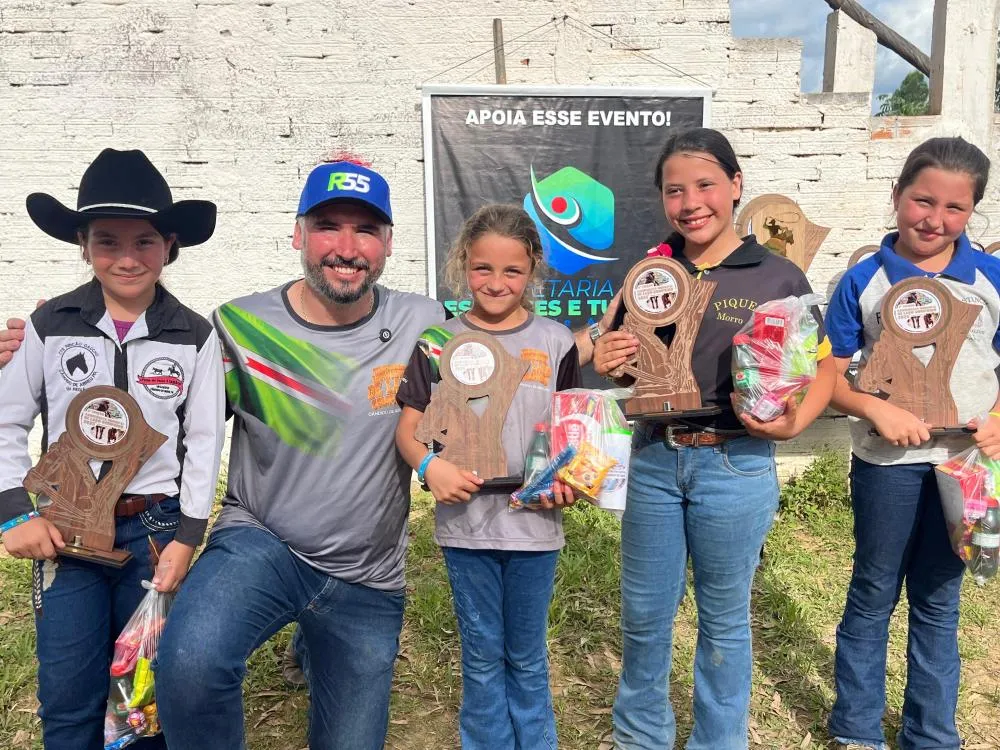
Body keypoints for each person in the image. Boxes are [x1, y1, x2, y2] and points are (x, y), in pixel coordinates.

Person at [151, 159, 448, 750]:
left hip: (369, 574)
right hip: (264, 542)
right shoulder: (239, 326)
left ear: (388, 244)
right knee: (188, 665)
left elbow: (506, 361)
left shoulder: (424, 321)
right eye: (327, 226)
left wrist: (601, 345)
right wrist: (35, 355)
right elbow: (163, 406)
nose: (346, 247)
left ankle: (311, 644)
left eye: (365, 230)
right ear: (297, 235)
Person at [592, 127, 836, 750]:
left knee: (724, 623)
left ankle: (717, 741)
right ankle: (640, 738)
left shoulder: (777, 276)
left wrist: (795, 423)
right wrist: (612, 356)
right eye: (675, 190)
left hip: (736, 465)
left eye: (705, 185)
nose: (690, 201)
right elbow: (621, 362)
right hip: (653, 463)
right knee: (645, 618)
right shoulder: (650, 271)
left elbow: (823, 365)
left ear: (735, 186)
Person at [0, 148, 225, 749]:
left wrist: (187, 536)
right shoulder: (51, 325)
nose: (127, 258)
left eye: (145, 241)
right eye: (107, 241)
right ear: (82, 244)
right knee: (69, 697)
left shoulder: (193, 335)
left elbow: (204, 438)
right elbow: (6, 420)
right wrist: (15, 512)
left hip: (153, 533)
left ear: (170, 244)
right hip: (63, 531)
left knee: (140, 704)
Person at [824, 136, 999, 750]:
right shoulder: (863, 280)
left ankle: (931, 735)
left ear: (972, 212)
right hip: (886, 464)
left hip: (967, 466)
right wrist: (872, 406)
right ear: (897, 196)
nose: (935, 219)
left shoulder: (990, 278)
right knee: (873, 590)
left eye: (955, 208)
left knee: (939, 593)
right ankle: (856, 729)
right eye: (922, 200)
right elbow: (826, 374)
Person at [396, 204, 582, 749]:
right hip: (467, 526)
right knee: (481, 654)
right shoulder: (436, 342)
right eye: (482, 269)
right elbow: (409, 431)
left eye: (511, 271)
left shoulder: (555, 341)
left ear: (532, 272)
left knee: (526, 653)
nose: (496, 283)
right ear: (462, 265)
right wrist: (431, 468)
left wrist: (569, 478)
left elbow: (570, 431)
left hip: (535, 529)